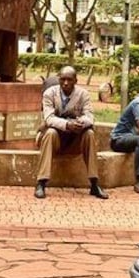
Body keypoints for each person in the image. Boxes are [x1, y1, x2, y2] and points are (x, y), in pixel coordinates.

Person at [34, 66, 107, 200]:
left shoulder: (83, 94)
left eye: (69, 80)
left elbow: (90, 116)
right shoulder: (49, 93)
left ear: (75, 80)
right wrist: (67, 125)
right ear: (59, 79)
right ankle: (41, 183)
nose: (66, 83)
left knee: (89, 134)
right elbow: (49, 118)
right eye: (63, 79)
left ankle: (94, 184)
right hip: (56, 139)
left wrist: (79, 123)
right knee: (50, 133)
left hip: (75, 139)